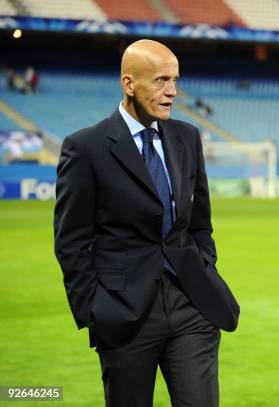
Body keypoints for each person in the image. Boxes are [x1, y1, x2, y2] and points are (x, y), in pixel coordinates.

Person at [54, 39, 239, 407]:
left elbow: (200, 222)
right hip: (124, 315)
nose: (172, 92)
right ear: (129, 84)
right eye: (160, 81)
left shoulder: (187, 137)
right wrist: (96, 309)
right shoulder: (86, 147)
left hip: (191, 305)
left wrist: (204, 264)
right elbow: (71, 242)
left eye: (175, 80)